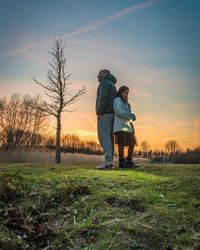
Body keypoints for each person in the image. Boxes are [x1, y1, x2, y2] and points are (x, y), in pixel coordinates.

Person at [95, 69, 117, 170]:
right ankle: (110, 161)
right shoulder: (112, 84)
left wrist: (99, 112)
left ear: (104, 74)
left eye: (99, 74)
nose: (97, 76)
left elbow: (103, 97)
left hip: (105, 114)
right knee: (109, 138)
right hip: (111, 113)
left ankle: (107, 162)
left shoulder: (104, 82)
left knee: (104, 138)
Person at [113, 86, 139, 168]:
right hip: (120, 126)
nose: (125, 94)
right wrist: (131, 116)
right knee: (121, 144)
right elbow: (118, 112)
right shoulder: (117, 100)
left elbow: (128, 116)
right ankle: (122, 162)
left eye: (127, 93)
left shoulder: (127, 103)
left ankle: (129, 161)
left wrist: (131, 122)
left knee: (132, 144)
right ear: (120, 92)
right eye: (124, 92)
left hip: (128, 127)